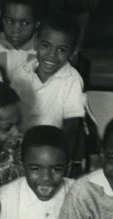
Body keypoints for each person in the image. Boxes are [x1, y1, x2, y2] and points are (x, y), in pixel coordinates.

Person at [7, 11, 85, 152]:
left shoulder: (72, 79)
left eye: (61, 49)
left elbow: (72, 126)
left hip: (51, 147)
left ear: (73, 52)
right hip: (19, 143)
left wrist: (58, 149)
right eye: (45, 45)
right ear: (36, 43)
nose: (51, 54)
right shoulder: (21, 72)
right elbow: (11, 111)